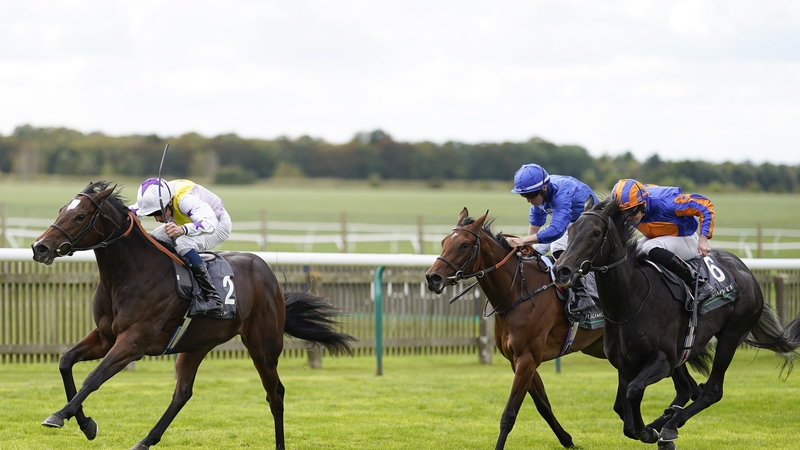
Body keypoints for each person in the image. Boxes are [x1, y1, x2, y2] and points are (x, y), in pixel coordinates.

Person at [131, 178, 232, 319]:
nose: (157, 219)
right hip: (191, 223)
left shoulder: (185, 200)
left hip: (217, 226)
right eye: (152, 214)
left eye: (159, 213)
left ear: (170, 202)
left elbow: (210, 223)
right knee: (155, 237)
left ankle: (213, 298)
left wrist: (183, 229)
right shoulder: (156, 198)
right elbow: (130, 212)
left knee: (183, 242)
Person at [611, 178, 714, 299]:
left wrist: (703, 238)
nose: (628, 218)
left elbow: (705, 205)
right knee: (631, 252)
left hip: (686, 238)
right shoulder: (630, 204)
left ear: (643, 204)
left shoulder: (668, 202)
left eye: (631, 212)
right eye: (623, 213)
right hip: (660, 238)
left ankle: (697, 282)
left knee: (648, 248)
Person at [506, 163, 598, 259]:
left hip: (590, 223)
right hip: (569, 222)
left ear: (544, 188)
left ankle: (585, 274)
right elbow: (536, 217)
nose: (528, 200)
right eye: (524, 195)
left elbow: (557, 230)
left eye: (531, 195)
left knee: (557, 246)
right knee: (534, 249)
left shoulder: (562, 194)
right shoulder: (540, 191)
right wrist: (528, 244)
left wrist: (524, 240)